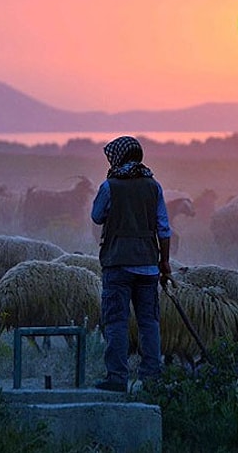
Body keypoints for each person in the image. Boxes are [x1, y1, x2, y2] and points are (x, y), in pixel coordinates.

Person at [91, 135, 172, 393]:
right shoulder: (153, 186)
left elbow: (96, 216)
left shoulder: (110, 186)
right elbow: (164, 229)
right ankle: (151, 376)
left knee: (116, 320)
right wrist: (165, 263)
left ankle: (117, 377)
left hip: (117, 263)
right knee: (149, 322)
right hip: (148, 265)